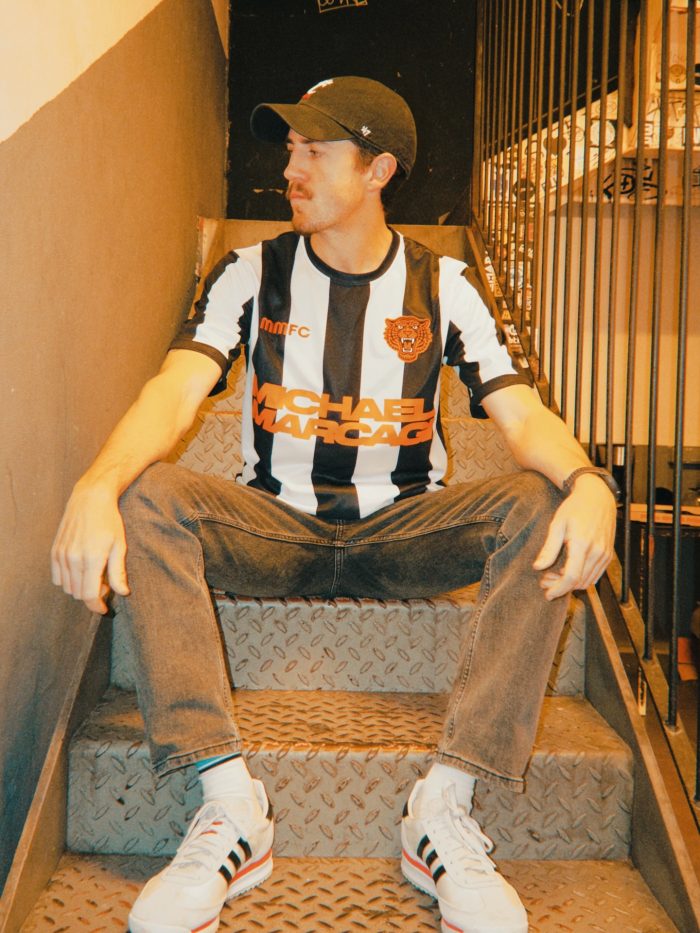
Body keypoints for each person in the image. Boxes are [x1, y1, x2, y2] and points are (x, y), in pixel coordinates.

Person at [51, 76, 618, 933]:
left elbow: (522, 414)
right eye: (290, 148)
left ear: (379, 169)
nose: (293, 167)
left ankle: (443, 807)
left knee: (544, 500)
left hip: (403, 533)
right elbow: (176, 390)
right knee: (148, 495)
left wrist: (589, 482)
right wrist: (98, 483)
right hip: (273, 529)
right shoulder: (251, 271)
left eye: (316, 149)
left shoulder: (446, 284)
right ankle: (229, 804)